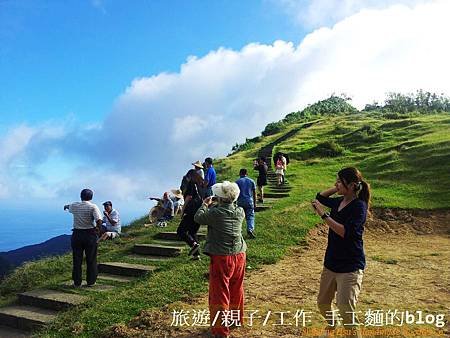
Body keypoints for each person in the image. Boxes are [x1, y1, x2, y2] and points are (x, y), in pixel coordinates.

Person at [311, 167, 371, 338]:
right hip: (331, 263)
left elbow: (345, 232)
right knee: (323, 304)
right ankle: (332, 323)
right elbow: (320, 197)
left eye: (339, 181)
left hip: (350, 266)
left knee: (345, 309)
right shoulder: (339, 201)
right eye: (336, 181)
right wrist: (337, 187)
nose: (336, 184)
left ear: (352, 185)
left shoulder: (359, 207)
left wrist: (324, 215)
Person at [194, 181, 246, 338]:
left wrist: (205, 204)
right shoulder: (240, 211)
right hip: (240, 254)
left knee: (220, 293)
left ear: (221, 198)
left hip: (222, 257)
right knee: (237, 288)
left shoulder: (215, 213)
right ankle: (236, 320)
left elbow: (198, 218)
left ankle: (220, 331)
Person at [64, 188, 102, 287]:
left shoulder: (75, 206)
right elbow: (99, 220)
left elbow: (68, 206)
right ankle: (91, 281)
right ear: (91, 197)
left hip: (77, 235)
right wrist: (98, 229)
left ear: (81, 196)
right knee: (91, 259)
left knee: (77, 259)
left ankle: (77, 283)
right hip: (90, 234)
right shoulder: (93, 207)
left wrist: (65, 206)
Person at [177, 169, 206, 260]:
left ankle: (193, 244)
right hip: (199, 210)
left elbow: (189, 197)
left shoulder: (191, 184)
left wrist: (182, 210)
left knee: (181, 231)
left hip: (191, 211)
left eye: (187, 176)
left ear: (191, 176)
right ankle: (196, 255)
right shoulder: (201, 185)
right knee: (193, 232)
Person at [235, 168, 257, 239]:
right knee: (250, 216)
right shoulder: (251, 181)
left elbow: (235, 194)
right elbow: (254, 193)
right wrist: (255, 202)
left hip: (240, 201)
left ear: (240, 173)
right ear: (246, 173)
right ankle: (250, 229)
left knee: (239, 217)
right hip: (249, 201)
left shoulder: (237, 182)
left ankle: (238, 231)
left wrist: (234, 203)